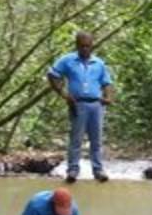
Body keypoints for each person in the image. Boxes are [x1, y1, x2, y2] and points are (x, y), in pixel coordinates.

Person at [47, 30, 115, 183]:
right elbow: (52, 74)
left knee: (96, 139)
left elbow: (107, 82)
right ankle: (72, 170)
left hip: (96, 104)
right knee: (76, 139)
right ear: (77, 46)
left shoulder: (99, 63)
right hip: (78, 104)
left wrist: (108, 97)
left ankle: (98, 170)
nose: (85, 49)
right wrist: (63, 94)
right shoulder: (67, 60)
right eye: (82, 46)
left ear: (92, 46)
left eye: (88, 46)